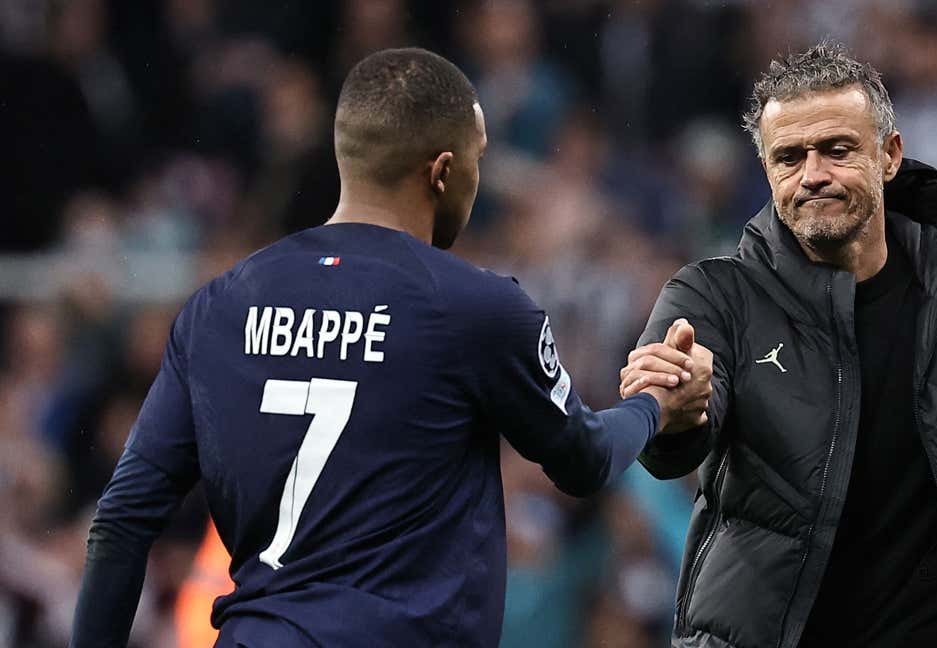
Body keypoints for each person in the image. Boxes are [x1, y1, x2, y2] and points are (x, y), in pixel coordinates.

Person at [70, 48, 712, 648]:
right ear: (443, 171)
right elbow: (586, 459)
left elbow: (123, 519)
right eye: (478, 162)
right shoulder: (474, 306)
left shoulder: (218, 306)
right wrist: (656, 405)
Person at [618, 42, 937, 648]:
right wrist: (672, 415)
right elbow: (672, 436)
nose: (812, 174)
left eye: (838, 150)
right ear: (767, 172)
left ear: (890, 155)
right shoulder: (711, 297)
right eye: (789, 157)